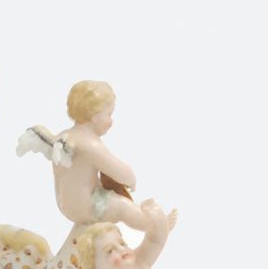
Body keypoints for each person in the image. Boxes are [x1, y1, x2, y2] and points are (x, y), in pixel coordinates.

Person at [17, 80, 175, 232]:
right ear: (95, 116)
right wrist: (131, 181)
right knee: (123, 206)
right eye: (109, 114)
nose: (111, 121)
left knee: (109, 195)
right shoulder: (90, 144)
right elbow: (120, 171)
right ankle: (155, 226)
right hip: (87, 206)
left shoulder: (63, 137)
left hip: (65, 204)